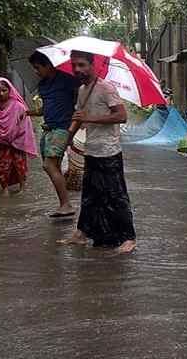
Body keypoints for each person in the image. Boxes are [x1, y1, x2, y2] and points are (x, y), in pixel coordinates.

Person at [57, 50, 136, 253]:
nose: (77, 69)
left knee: (116, 195)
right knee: (89, 195)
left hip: (109, 152)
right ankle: (81, 234)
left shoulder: (106, 88)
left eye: (82, 65)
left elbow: (121, 116)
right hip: (91, 150)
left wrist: (90, 118)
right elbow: (78, 117)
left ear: (92, 65)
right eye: (74, 65)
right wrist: (65, 141)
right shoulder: (83, 90)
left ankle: (129, 237)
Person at [27, 51, 80, 217]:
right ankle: (64, 204)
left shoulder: (67, 80)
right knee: (53, 166)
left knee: (48, 165)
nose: (36, 71)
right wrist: (29, 113)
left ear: (48, 65)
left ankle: (66, 205)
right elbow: (45, 109)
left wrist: (75, 125)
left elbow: (79, 97)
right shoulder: (42, 85)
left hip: (62, 128)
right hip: (48, 129)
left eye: (37, 68)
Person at [0, 78, 37, 195]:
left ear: (9, 90)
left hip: (17, 140)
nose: (1, 93)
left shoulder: (18, 106)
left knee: (20, 164)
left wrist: (13, 136)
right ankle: (5, 189)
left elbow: (25, 126)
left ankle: (22, 188)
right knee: (2, 165)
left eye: (4, 90)